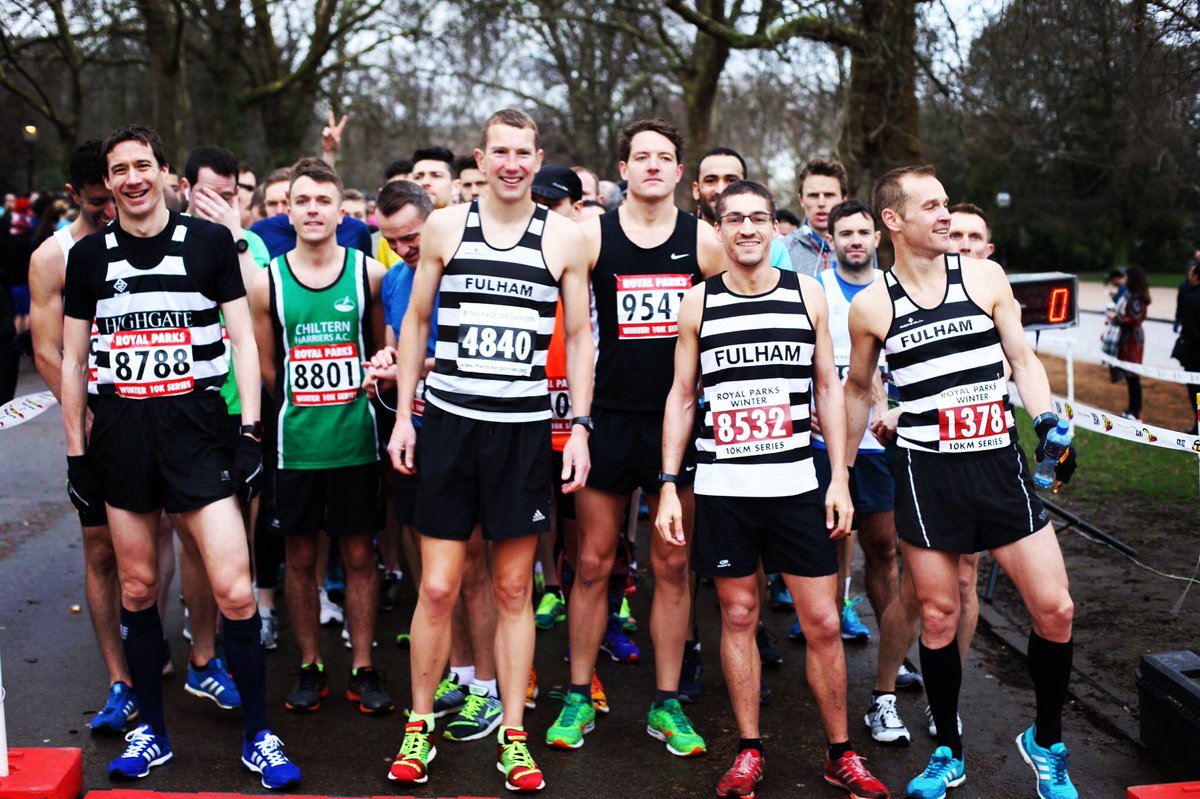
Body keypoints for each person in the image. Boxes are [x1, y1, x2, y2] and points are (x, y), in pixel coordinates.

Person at [60, 124, 299, 788]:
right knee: (138, 587)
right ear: (107, 184)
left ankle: (258, 734)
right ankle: (153, 733)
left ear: (168, 174)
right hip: (122, 432)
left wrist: (251, 429)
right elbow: (76, 359)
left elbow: (244, 340)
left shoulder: (209, 242)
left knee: (232, 589)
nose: (132, 178)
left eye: (143, 165)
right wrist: (77, 454)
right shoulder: (88, 258)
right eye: (119, 170)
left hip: (198, 426)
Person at [844, 164, 1078, 799]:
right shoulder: (873, 305)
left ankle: (1047, 742)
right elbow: (860, 389)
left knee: (1055, 609)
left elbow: (1023, 360)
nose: (946, 215)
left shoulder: (984, 276)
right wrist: (841, 474)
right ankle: (947, 748)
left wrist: (1048, 417)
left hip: (998, 463)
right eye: (932, 206)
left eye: (947, 204)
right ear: (893, 219)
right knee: (940, 617)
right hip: (927, 473)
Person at [657, 180, 889, 799]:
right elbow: (682, 397)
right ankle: (748, 750)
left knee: (820, 620)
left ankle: (841, 752)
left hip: (795, 483)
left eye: (759, 218)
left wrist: (838, 476)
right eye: (734, 219)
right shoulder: (697, 303)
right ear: (719, 228)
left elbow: (829, 391)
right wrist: (667, 485)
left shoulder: (806, 293)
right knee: (737, 613)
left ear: (773, 226)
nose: (749, 229)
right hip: (725, 486)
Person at [385, 108, 593, 793]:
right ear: (480, 157)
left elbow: (583, 338)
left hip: (522, 431)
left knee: (512, 588)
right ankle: (419, 727)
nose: (510, 162)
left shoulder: (564, 237)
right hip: (449, 424)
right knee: (440, 584)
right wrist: (406, 418)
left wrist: (581, 428)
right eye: (498, 151)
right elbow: (416, 321)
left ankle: (514, 736)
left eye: (522, 152)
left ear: (538, 159)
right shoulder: (447, 224)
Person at [545, 119, 722, 758]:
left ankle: (667, 704)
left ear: (681, 172)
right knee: (592, 562)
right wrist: (581, 425)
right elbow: (575, 335)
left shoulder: (704, 242)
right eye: (641, 156)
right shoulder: (591, 235)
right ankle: (575, 694)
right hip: (609, 422)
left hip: (679, 424)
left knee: (672, 565)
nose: (652, 165)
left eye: (665, 157)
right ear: (623, 169)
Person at [248, 157, 394, 716]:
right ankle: (310, 665)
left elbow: (383, 355)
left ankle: (362, 665)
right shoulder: (268, 283)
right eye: (302, 201)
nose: (313, 210)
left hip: (355, 442)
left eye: (323, 201)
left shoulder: (368, 275)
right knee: (301, 558)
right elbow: (266, 369)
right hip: (295, 446)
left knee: (359, 555)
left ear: (341, 210)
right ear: (289, 210)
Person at [780, 158, 848, 276]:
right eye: (813, 195)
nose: (821, 203)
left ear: (844, 199)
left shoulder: (861, 245)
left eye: (829, 195)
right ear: (801, 199)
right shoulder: (783, 249)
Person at [1108, 264, 1150, 420]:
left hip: (1132, 340)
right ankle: (1132, 409)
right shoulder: (1131, 295)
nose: (1123, 279)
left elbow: (1134, 319)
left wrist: (1116, 317)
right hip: (1127, 339)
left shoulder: (1137, 298)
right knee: (1129, 376)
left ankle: (1136, 411)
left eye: (1126, 277)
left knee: (1133, 376)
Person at [1176, 261, 1200, 433]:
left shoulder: (1191, 299)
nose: (1189, 278)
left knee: (1196, 393)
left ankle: (1198, 428)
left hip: (1195, 356)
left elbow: (1189, 330)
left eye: (1192, 275)